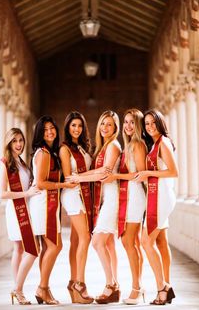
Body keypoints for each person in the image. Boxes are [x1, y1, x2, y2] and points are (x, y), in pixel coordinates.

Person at [67, 110, 121, 304]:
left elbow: (103, 173)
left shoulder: (114, 145)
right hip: (104, 199)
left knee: (97, 242)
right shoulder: (103, 146)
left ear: (115, 128)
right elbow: (97, 172)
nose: (105, 127)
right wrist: (81, 177)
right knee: (106, 243)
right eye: (103, 123)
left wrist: (78, 177)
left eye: (109, 124)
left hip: (112, 198)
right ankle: (114, 285)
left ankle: (111, 285)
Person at [29, 115, 76, 305]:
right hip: (43, 204)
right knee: (56, 246)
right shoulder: (44, 153)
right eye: (45, 129)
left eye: (52, 128)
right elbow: (40, 183)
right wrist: (63, 184)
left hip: (46, 203)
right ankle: (42, 288)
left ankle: (44, 288)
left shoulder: (48, 152)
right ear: (40, 133)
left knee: (48, 247)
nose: (50, 132)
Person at [102, 108, 146, 305]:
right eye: (126, 122)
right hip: (128, 196)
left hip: (135, 196)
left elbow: (141, 174)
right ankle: (139, 285)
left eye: (132, 122)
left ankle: (136, 288)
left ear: (137, 125)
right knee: (133, 243)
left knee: (129, 243)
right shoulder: (129, 145)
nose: (128, 126)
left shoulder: (137, 145)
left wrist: (116, 176)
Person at [135, 108, 178, 305]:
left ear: (160, 123)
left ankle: (163, 287)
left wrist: (148, 175)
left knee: (146, 242)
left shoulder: (164, 143)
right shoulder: (156, 143)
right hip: (158, 195)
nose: (150, 127)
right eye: (147, 124)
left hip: (160, 197)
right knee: (160, 242)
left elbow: (173, 172)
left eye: (153, 123)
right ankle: (166, 283)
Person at [0, 128, 39, 305]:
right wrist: (27, 194)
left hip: (25, 207)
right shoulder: (6, 162)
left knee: (20, 250)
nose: (18, 144)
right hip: (15, 210)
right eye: (14, 141)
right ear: (9, 143)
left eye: (21, 140)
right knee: (31, 250)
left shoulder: (22, 162)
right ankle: (18, 289)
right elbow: (2, 193)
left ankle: (18, 289)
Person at [59, 111, 94, 304]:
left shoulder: (82, 147)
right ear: (67, 127)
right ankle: (80, 284)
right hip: (73, 195)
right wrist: (85, 179)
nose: (77, 129)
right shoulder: (65, 149)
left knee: (75, 240)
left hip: (83, 193)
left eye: (80, 125)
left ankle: (73, 282)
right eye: (73, 125)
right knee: (85, 237)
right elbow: (68, 177)